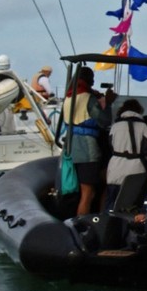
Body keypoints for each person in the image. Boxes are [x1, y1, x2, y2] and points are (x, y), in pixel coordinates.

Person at [62, 66, 115, 216]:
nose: (93, 81)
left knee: (81, 191)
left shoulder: (68, 97)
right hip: (87, 147)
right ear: (87, 80)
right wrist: (108, 103)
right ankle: (84, 225)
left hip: (71, 147)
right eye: (91, 78)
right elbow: (104, 121)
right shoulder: (88, 98)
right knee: (88, 193)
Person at [104, 98, 147, 211]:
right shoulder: (142, 126)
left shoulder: (115, 126)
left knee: (112, 202)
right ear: (139, 111)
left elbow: (110, 145)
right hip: (135, 170)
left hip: (114, 169)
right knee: (132, 205)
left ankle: (109, 224)